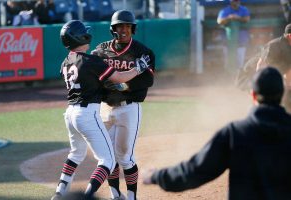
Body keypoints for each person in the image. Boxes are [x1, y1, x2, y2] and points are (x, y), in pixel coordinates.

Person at [142, 67, 291, 200]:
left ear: (252, 95)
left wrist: (157, 176)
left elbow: (195, 171)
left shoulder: (235, 133)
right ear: (282, 95)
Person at [51, 20, 151, 200]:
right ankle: (88, 196)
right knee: (108, 160)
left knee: (76, 154)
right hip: (87, 113)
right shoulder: (91, 60)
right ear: (79, 37)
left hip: (70, 113)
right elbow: (119, 77)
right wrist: (138, 68)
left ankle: (59, 194)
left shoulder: (65, 62)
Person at [91, 10, 155, 200]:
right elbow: (92, 75)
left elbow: (147, 81)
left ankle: (131, 196)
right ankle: (114, 194)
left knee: (125, 157)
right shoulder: (101, 50)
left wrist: (121, 84)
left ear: (133, 28)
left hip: (129, 108)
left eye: (127, 26)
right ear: (113, 29)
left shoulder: (143, 52)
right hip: (105, 108)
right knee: (109, 158)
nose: (124, 29)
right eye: (120, 26)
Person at [236, 23, 291, 113]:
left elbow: (289, 70)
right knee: (263, 97)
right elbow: (261, 66)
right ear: (289, 36)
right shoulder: (275, 45)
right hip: (250, 75)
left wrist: (288, 87)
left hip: (266, 75)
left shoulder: (289, 47)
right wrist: (262, 85)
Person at [217, 0, 250, 70]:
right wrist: (229, 18)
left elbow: (247, 19)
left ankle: (238, 79)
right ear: (231, 1)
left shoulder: (243, 9)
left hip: (241, 42)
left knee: (240, 65)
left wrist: (237, 18)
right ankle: (228, 78)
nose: (236, 2)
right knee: (228, 63)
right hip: (228, 43)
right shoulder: (225, 10)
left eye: (237, 0)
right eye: (234, 0)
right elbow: (219, 21)